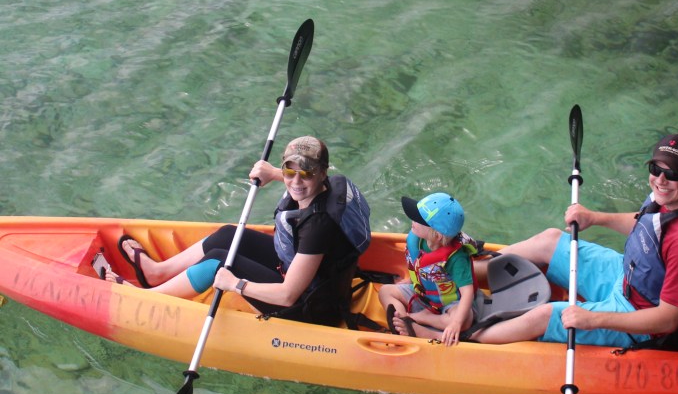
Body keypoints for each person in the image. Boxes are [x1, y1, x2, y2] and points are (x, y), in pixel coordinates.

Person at [470, 133, 678, 348]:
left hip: (643, 314)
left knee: (545, 316)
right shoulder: (676, 195)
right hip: (628, 276)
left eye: (673, 174)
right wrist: (595, 217)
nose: (661, 180)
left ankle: (468, 339)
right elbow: (649, 226)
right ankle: (465, 271)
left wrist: (593, 319)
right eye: (655, 169)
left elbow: (669, 319)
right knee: (548, 240)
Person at [104, 136, 371, 326]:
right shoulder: (331, 184)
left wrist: (236, 285)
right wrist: (273, 173)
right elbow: (298, 176)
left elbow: (288, 295)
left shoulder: (318, 227)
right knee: (229, 236)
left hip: (307, 305)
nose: (296, 181)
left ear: (322, 173)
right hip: (297, 271)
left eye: (307, 173)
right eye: (289, 171)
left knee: (220, 262)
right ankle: (156, 273)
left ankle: (147, 299)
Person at [380, 192, 478, 346]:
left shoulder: (457, 258)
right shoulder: (418, 239)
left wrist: (456, 324)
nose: (413, 221)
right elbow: (418, 265)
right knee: (385, 291)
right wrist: (410, 281)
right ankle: (404, 319)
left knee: (465, 320)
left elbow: (468, 293)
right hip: (422, 293)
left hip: (450, 302)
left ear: (437, 235)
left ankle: (421, 319)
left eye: (418, 220)